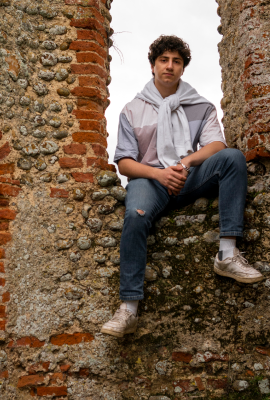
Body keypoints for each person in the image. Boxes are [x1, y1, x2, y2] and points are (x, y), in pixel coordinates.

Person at [101, 35, 263, 338]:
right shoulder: (132, 109)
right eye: (164, 60)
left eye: (177, 61)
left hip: (188, 177)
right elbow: (124, 162)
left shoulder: (200, 105)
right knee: (135, 216)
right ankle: (128, 309)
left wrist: (185, 164)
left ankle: (227, 255)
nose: (170, 66)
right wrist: (159, 174)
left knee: (233, 158)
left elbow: (216, 144)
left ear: (183, 68)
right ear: (153, 65)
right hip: (150, 181)